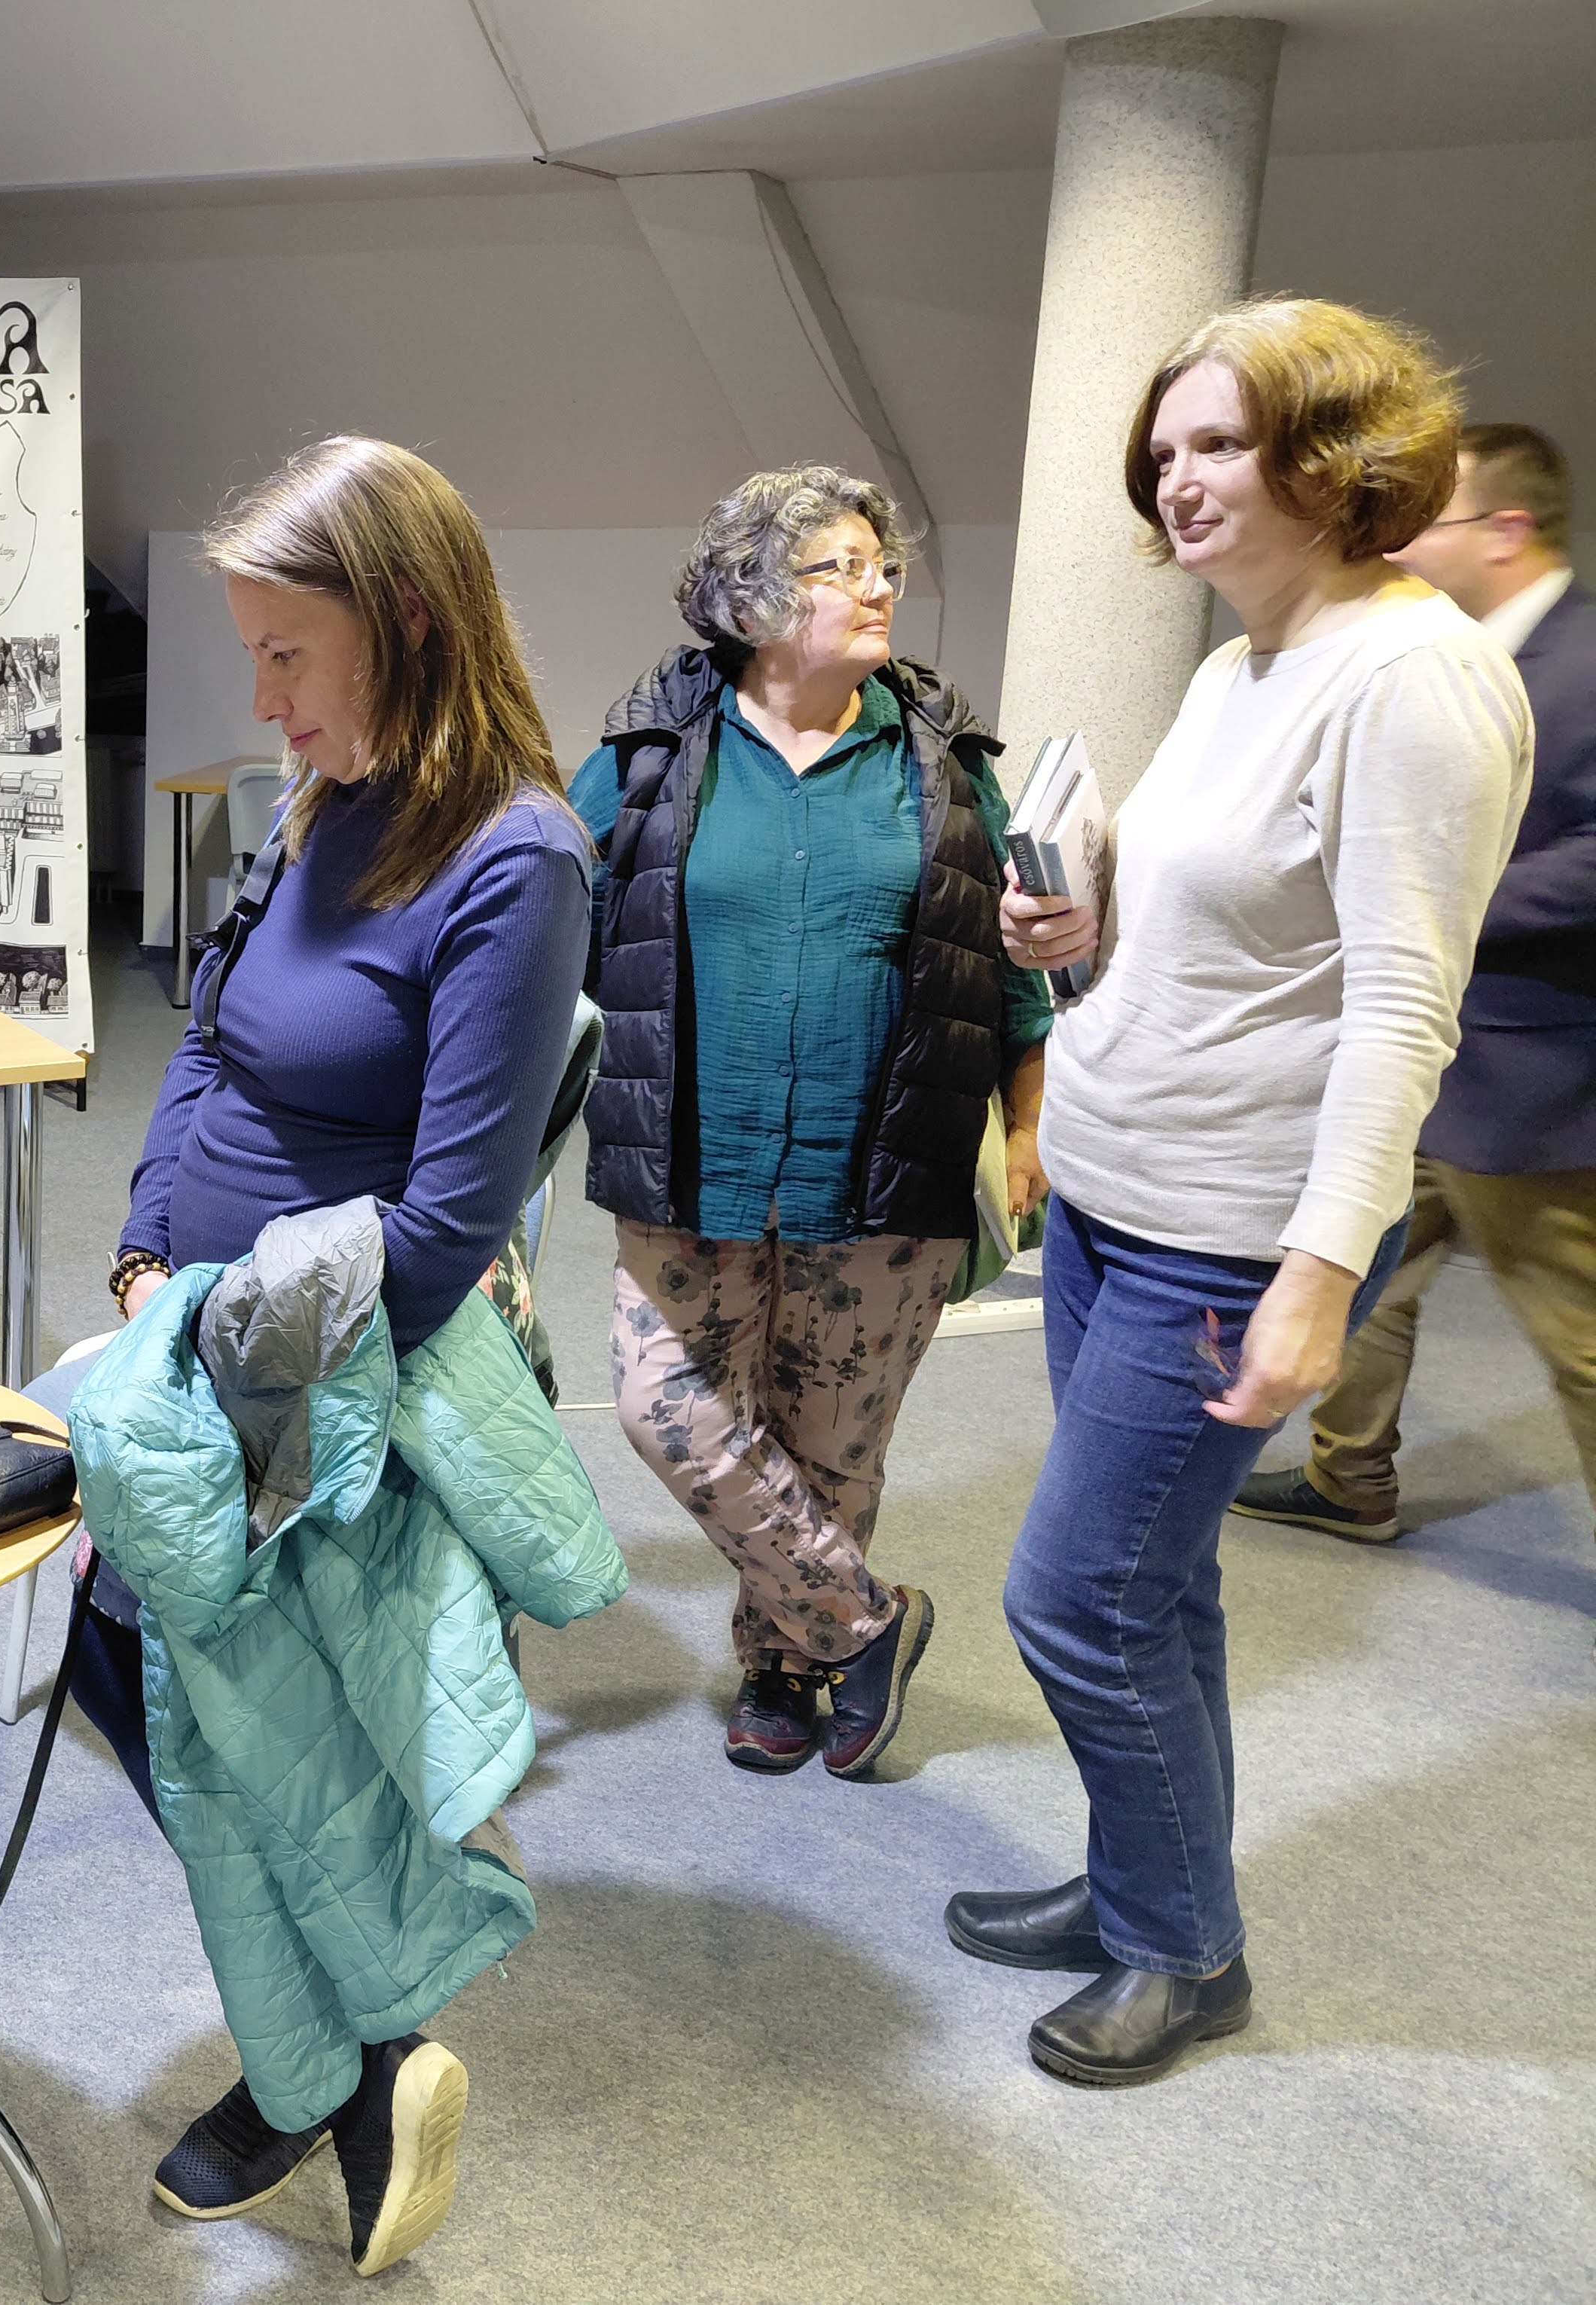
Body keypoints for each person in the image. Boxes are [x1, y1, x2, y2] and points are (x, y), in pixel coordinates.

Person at [33, 436, 600, 2279]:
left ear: (409, 622)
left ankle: (329, 2065)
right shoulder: (322, 798)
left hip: (331, 1397)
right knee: (152, 1687)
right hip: (198, 1341)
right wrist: (145, 1253)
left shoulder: (515, 860)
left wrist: (206, 1359)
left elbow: (438, 1235)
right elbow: (207, 1044)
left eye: (288, 653)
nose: (263, 700)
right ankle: (349, 2055)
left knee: (222, 1712)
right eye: (252, 656)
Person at [960, 300, 1532, 2087]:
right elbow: (1227, 934)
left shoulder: (1414, 680)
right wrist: (1077, 921)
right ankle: (1150, 1883)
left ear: (1336, 456)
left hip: (1227, 1232)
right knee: (1159, 1587)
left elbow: (1401, 1010)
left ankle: (1185, 1955)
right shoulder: (1245, 661)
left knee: (1076, 1597)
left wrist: (1320, 1275)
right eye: (1167, 449)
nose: (1178, 480)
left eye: (1221, 442)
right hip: (1115, 1193)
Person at [569, 466, 1049, 1780]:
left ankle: (785, 1662)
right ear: (752, 600)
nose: (878, 585)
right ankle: (866, 1622)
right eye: (840, 566)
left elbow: (1012, 968)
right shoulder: (650, 756)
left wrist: (1026, 1125)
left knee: (832, 1441)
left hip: (885, 1160)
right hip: (688, 1157)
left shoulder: (942, 763)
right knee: (668, 1407)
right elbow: (549, 928)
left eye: (881, 563)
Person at [1231, 424, 1596, 1545]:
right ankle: (1349, 1479)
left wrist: (1435, 896)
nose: (1399, 542)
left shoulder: (1585, 656)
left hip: (1534, 1073)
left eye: (1432, 518)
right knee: (1364, 1275)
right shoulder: (1438, 654)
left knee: (1579, 1339)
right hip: (1424, 1062)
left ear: (1508, 529)